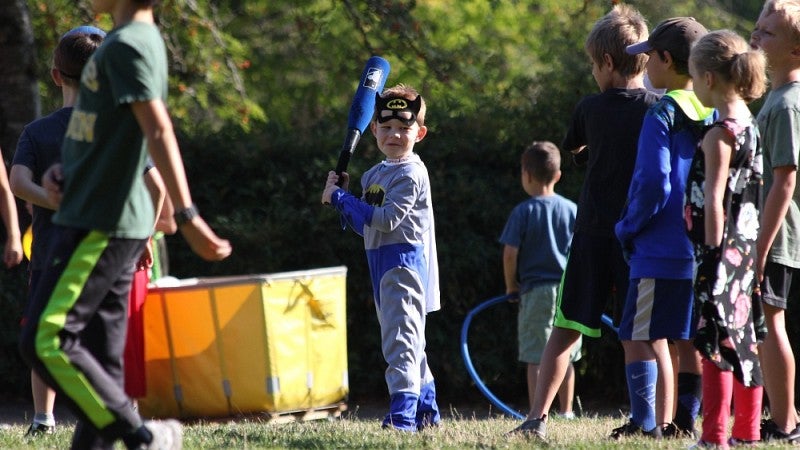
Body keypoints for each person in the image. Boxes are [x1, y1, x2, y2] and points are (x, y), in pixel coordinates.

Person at [17, 0, 232, 448]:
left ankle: (142, 437)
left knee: (45, 337)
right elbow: (112, 132)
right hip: (102, 214)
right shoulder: (119, 42)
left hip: (103, 222)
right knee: (103, 362)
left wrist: (187, 216)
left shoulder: (129, 45)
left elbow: (158, 132)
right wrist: (68, 171)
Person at [508, 4, 659, 439]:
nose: (594, 72)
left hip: (592, 232)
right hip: (638, 235)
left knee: (568, 326)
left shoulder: (589, 108)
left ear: (608, 63)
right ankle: (645, 420)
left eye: (594, 65)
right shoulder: (658, 107)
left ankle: (537, 418)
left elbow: (574, 151)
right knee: (636, 331)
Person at [321, 84, 441, 432]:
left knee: (401, 342)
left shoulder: (411, 173)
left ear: (419, 133)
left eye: (404, 127)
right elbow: (367, 226)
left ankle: (403, 417)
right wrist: (342, 197)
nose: (394, 134)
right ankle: (426, 412)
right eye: (386, 127)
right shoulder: (373, 175)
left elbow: (388, 219)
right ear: (373, 130)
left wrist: (342, 198)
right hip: (380, 263)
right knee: (410, 342)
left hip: (404, 266)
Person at [614, 17, 712, 438]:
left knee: (639, 335)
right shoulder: (715, 112)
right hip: (700, 247)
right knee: (687, 337)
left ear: (666, 59)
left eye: (649, 56)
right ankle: (685, 421)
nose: (645, 65)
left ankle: (648, 423)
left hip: (658, 246)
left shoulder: (662, 113)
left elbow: (655, 180)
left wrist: (630, 225)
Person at [9, 25, 105, 436]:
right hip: (103, 250)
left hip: (49, 248)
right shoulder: (114, 129)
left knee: (43, 332)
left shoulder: (38, 131)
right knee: (101, 335)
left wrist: (52, 201)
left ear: (54, 75)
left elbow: (17, 182)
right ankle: (106, 411)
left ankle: (42, 419)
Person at [685, 29, 768, 447]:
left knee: (714, 344)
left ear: (710, 80)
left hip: (719, 254)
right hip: (745, 252)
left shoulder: (719, 135)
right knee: (744, 341)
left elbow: (714, 200)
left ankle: (714, 436)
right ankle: (747, 433)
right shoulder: (749, 125)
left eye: (694, 77)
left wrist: (710, 258)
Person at [499, 141, 580, 420]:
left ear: (526, 174)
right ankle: (566, 411)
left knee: (536, 354)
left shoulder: (524, 211)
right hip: (570, 290)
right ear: (558, 175)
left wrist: (511, 286)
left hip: (535, 291)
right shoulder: (572, 209)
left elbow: (510, 254)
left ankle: (538, 411)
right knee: (566, 352)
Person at [751, 0, 800, 442]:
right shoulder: (779, 99)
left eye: (767, 34)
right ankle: (786, 414)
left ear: (795, 52)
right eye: (755, 28)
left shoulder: (786, 105)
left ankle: (784, 424)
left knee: (771, 323)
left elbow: (784, 182)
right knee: (767, 323)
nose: (754, 38)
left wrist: (759, 248)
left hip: (776, 235)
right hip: (773, 233)